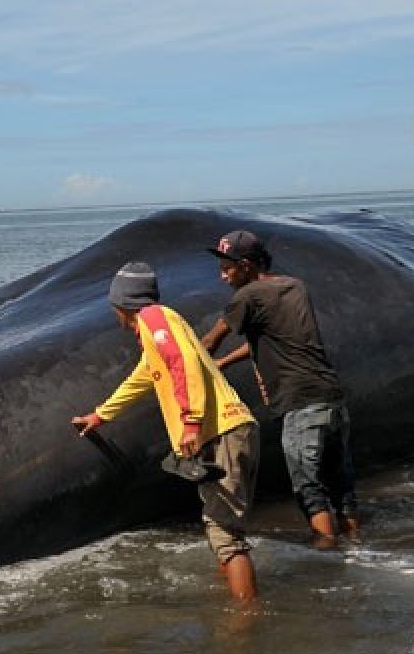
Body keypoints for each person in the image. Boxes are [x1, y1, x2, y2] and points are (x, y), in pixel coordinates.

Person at [71, 261, 261, 601]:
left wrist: (190, 421)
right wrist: (100, 416)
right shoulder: (155, 332)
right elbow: (141, 379)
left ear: (121, 305)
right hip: (225, 433)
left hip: (221, 431)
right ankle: (237, 601)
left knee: (225, 532)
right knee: (220, 526)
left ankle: (247, 619)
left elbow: (182, 362)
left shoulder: (154, 317)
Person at [202, 230, 361, 547]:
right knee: (340, 484)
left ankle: (329, 559)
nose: (222, 276)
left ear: (246, 265)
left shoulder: (246, 297)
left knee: (308, 487)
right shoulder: (294, 287)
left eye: (227, 268)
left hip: (298, 403)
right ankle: (357, 546)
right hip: (330, 397)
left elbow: (208, 342)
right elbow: (277, 340)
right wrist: (226, 363)